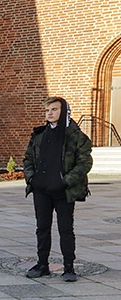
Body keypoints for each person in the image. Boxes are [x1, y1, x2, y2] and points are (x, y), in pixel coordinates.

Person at [23, 96, 92, 282]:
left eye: (54, 109)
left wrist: (65, 181)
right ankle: (42, 264)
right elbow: (28, 159)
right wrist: (31, 178)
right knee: (42, 228)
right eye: (47, 110)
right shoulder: (39, 135)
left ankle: (69, 267)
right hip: (41, 190)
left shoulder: (76, 136)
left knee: (66, 229)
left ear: (64, 112)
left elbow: (84, 163)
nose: (49, 113)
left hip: (63, 191)